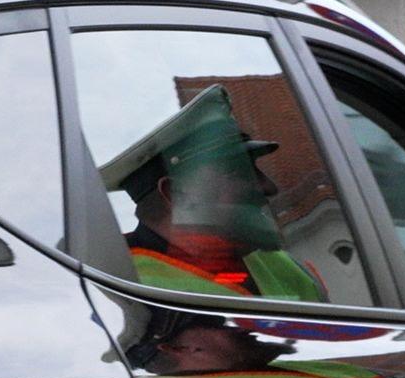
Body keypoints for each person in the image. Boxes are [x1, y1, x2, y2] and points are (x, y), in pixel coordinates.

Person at [99, 84, 327, 301]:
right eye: (240, 172)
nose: (269, 187)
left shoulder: (283, 266)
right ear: (176, 194)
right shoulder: (121, 289)